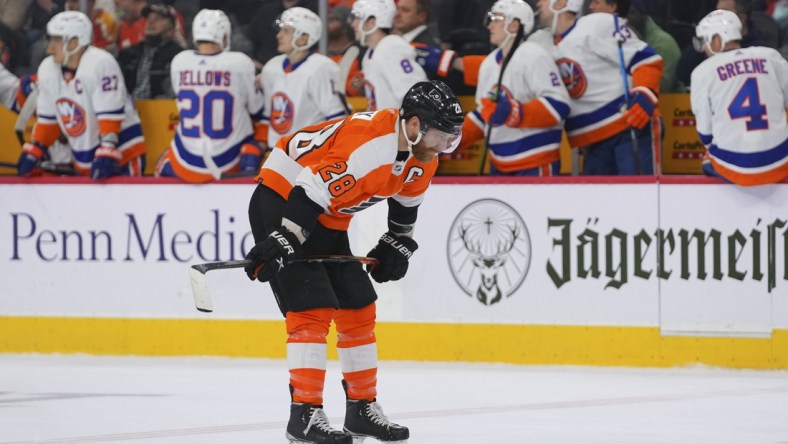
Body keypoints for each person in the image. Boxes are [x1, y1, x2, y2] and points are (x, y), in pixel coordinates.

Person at [245, 80, 463, 444]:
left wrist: (397, 242)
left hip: (329, 214)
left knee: (358, 306)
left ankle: (361, 409)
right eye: (441, 136)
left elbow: (405, 207)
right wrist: (283, 238)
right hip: (284, 199)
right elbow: (309, 188)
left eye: (451, 138)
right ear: (413, 126)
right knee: (311, 305)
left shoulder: (423, 155)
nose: (445, 145)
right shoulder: (370, 146)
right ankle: (305, 414)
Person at [16, 10, 146, 178]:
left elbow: (110, 116)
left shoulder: (100, 63)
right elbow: (48, 120)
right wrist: (36, 148)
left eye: (57, 40)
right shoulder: (47, 69)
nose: (50, 47)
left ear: (74, 42)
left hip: (123, 153)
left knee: (124, 204)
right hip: (86, 157)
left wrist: (107, 148)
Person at [547, 0, 664, 175]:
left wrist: (644, 93)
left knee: (639, 198)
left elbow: (645, 59)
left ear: (559, 4)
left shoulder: (597, 23)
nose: (538, 4)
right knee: (600, 202)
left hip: (628, 127)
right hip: (593, 142)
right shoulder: (543, 45)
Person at [459, 0, 570, 175]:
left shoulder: (533, 54)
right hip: (498, 163)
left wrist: (513, 112)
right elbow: (485, 114)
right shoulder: (489, 63)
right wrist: (453, 137)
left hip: (535, 160)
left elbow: (559, 106)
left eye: (497, 19)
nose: (490, 26)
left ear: (514, 25)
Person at [155, 9, 265, 183]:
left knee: (159, 167)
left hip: (185, 160)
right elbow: (257, 109)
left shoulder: (180, 61)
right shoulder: (240, 63)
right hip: (230, 159)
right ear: (224, 37)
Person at [691, 9, 788, 185]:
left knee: (708, 157)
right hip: (781, 159)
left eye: (705, 41)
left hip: (735, 167)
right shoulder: (771, 56)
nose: (703, 48)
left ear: (718, 39)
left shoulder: (702, 72)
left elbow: (705, 135)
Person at [260, 6, 348, 149]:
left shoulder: (322, 68)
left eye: (286, 31)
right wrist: (259, 146)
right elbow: (267, 117)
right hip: (274, 154)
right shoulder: (271, 67)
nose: (278, 35)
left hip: (308, 155)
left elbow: (337, 118)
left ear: (304, 38)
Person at [351, 0, 428, 110]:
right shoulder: (370, 53)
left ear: (372, 22)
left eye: (358, 18)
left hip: (399, 126)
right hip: (385, 125)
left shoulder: (390, 47)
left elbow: (416, 96)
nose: (353, 24)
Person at [117, 3, 184, 99]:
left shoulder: (177, 56)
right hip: (129, 109)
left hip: (161, 109)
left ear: (171, 30)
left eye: (157, 19)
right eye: (148, 18)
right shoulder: (128, 53)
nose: (150, 22)